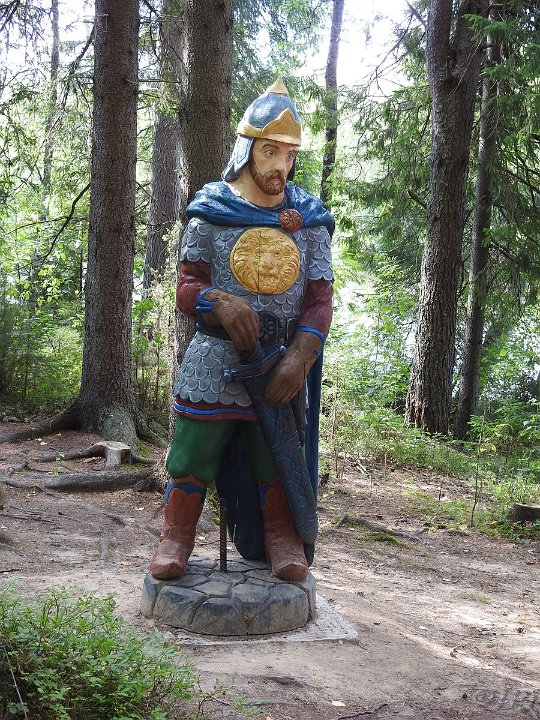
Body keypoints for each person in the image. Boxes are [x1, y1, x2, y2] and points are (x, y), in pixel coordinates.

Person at [149, 77, 334, 583]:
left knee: (274, 452)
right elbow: (187, 286)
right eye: (270, 152)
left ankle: (281, 537)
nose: (280, 167)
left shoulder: (309, 220)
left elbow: (319, 301)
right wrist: (218, 301)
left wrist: (300, 357)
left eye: (289, 155)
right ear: (246, 149)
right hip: (215, 357)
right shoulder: (211, 210)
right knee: (193, 449)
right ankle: (176, 534)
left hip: (278, 357)